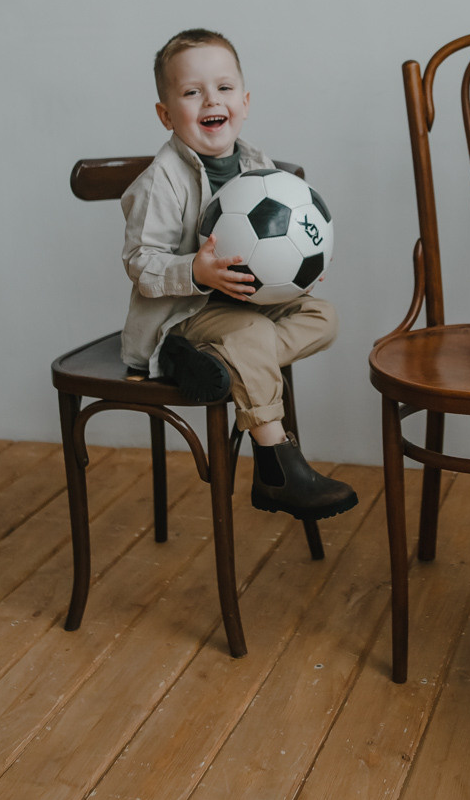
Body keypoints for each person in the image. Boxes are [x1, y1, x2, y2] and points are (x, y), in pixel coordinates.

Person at [120, 27, 357, 522]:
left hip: (251, 302)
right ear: (166, 115)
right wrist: (196, 270)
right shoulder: (160, 181)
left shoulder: (258, 166)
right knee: (250, 334)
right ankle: (276, 467)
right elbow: (141, 263)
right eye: (192, 92)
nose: (212, 100)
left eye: (224, 88)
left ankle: (215, 367)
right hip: (186, 313)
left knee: (325, 318)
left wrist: (298, 269)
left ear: (244, 103)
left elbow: (284, 235)